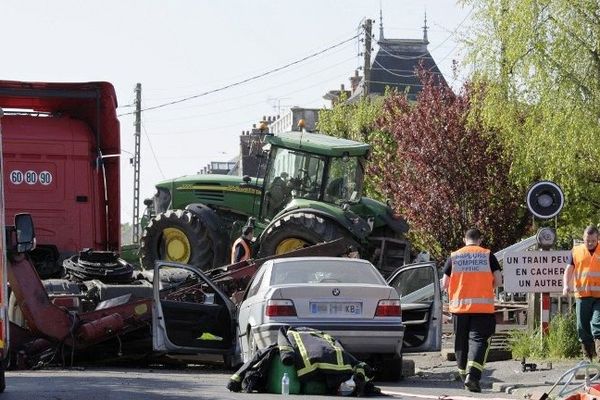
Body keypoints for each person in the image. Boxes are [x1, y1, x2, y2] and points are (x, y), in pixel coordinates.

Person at [442, 228, 502, 393]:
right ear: (480, 240)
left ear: (464, 239)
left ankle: (463, 376)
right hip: (482, 309)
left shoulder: (454, 256)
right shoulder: (487, 255)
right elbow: (498, 280)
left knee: (460, 343)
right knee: (479, 341)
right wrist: (485, 287)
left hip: (459, 309)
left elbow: (444, 284)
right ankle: (472, 377)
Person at [562, 225, 600, 361]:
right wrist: (566, 286)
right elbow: (568, 270)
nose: (590, 243)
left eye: (593, 241)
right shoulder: (576, 251)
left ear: (598, 239)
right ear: (583, 239)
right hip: (582, 295)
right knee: (582, 327)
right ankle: (588, 359)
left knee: (598, 325)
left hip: (599, 298)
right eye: (587, 240)